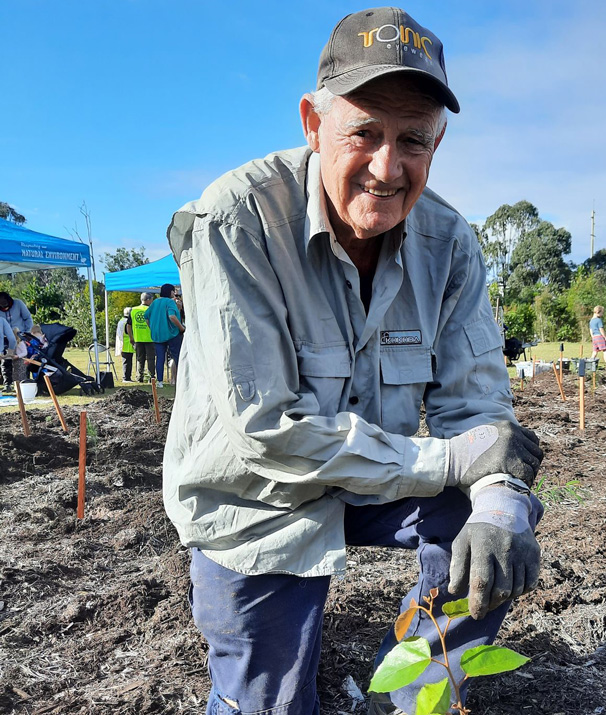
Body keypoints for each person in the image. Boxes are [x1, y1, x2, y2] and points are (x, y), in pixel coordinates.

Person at [162, 8, 544, 715]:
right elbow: (266, 428)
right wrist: (448, 460)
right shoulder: (236, 222)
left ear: (439, 140)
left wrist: (496, 501)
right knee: (266, 706)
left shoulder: (450, 243)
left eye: (413, 141)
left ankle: (410, 694)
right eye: (364, 133)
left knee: (494, 519)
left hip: (378, 474)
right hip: (255, 498)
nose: (387, 167)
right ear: (313, 123)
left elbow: (479, 410)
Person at [144, 284, 184, 388]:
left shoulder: (155, 302)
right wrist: (181, 328)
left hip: (157, 335)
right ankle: (181, 379)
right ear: (170, 292)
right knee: (177, 357)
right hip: (172, 334)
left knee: (160, 358)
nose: (174, 293)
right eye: (173, 291)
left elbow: (146, 316)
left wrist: (152, 327)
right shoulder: (170, 302)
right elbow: (172, 316)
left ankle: (160, 381)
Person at [0, 291, 33, 392]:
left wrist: (27, 332)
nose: (3, 304)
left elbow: (28, 318)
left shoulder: (18, 304)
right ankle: (7, 384)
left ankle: (24, 381)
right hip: (6, 338)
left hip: (20, 336)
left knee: (22, 360)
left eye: (4, 301)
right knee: (6, 361)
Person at [131, 293, 156, 382]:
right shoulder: (151, 310)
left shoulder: (133, 310)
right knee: (151, 359)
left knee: (139, 359)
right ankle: (151, 377)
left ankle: (139, 377)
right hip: (150, 338)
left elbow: (128, 325)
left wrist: (131, 337)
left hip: (138, 338)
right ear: (148, 300)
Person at [115, 307, 136, 382]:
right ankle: (126, 378)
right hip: (127, 344)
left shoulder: (121, 320)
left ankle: (127, 377)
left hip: (123, 343)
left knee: (126, 361)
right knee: (127, 362)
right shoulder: (127, 322)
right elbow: (128, 332)